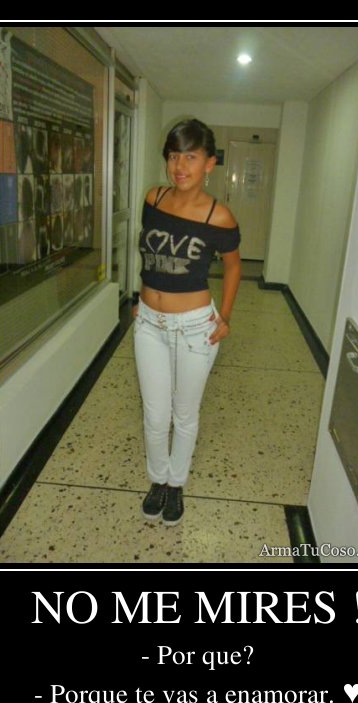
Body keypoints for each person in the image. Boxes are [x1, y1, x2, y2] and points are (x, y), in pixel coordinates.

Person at [133, 119, 242, 527]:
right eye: (174, 156)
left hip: (196, 328)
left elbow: (233, 267)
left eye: (191, 157)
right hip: (149, 324)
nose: (180, 166)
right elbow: (150, 255)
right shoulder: (153, 198)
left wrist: (225, 316)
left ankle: (176, 483)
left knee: (184, 414)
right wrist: (141, 296)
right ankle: (157, 479)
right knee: (154, 415)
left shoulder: (219, 216)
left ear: (210, 163)